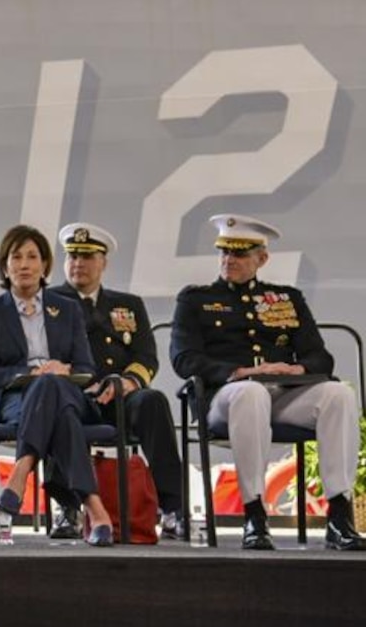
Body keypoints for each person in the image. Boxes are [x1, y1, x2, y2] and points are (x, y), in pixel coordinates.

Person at [171, 214, 365, 552]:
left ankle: (339, 515)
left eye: (240, 254)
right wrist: (239, 372)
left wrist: (298, 370)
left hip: (281, 395)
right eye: (224, 253)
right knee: (250, 393)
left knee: (338, 394)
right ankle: (254, 515)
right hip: (224, 398)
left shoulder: (285, 299)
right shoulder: (195, 300)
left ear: (262, 259)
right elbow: (184, 359)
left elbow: (320, 357)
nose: (229, 260)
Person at [0, 224, 113, 546]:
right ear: (5, 266)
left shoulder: (67, 308)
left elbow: (87, 368)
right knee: (57, 408)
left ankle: (20, 474)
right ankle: (94, 507)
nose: (24, 264)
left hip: (67, 392)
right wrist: (27, 373)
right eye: (16, 257)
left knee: (53, 386)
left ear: (45, 265)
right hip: (14, 400)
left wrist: (64, 369)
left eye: (32, 257)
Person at [51, 222, 186, 540]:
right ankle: (68, 509)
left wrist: (127, 382)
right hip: (75, 394)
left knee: (153, 401)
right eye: (72, 257)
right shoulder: (49, 301)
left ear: (103, 263)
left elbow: (146, 357)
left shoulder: (128, 305)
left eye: (86, 257)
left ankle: (172, 509)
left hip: (119, 396)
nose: (78, 264)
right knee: (59, 408)